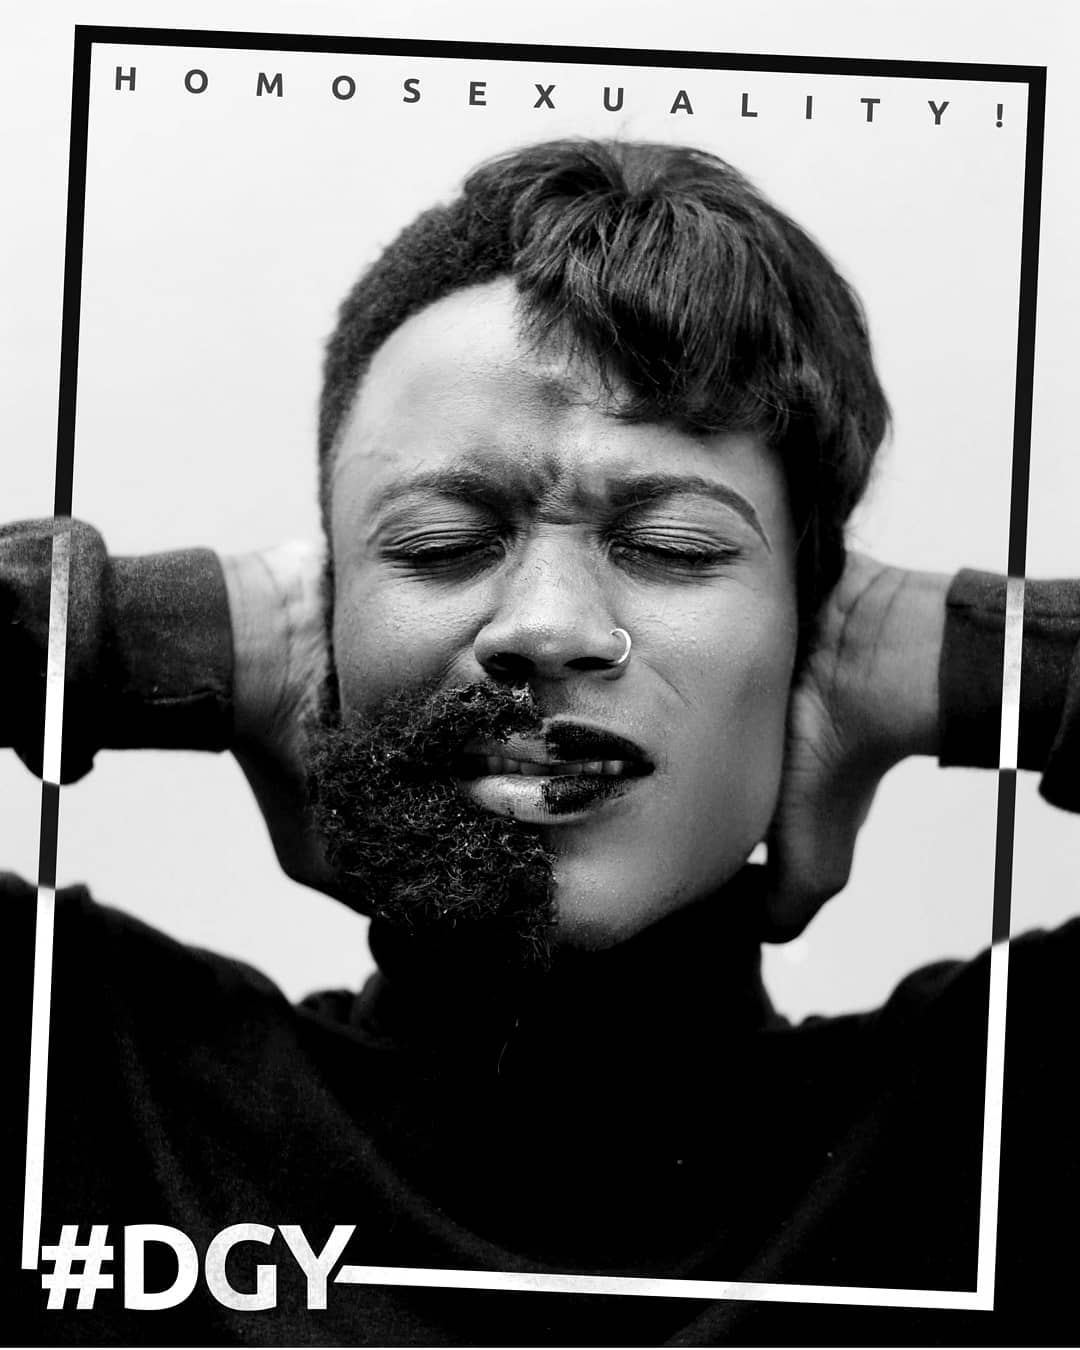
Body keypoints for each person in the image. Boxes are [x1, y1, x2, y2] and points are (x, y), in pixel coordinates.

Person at [3, 139, 1077, 1346]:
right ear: (323, 631)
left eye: (674, 548)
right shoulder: (79, 1083)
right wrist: (139, 633)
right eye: (439, 546)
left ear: (811, 637)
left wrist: (971, 653)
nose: (549, 628)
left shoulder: (1003, 1134)